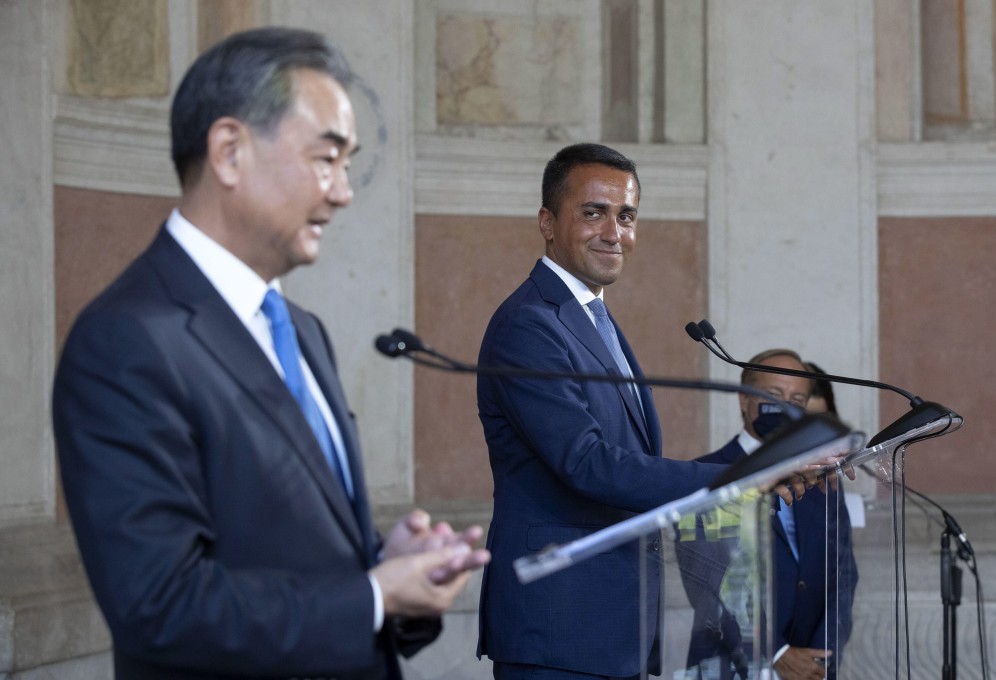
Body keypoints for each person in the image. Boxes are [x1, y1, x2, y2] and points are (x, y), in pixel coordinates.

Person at [51, 27, 488, 680]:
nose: (343, 191)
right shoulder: (126, 339)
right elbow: (159, 606)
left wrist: (387, 564)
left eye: (347, 164)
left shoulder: (304, 330)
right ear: (229, 151)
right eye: (326, 159)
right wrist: (372, 594)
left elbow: (297, 549)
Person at [474, 143, 812, 680]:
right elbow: (586, 463)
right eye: (593, 213)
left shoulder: (592, 319)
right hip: (561, 623)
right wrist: (742, 477)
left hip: (615, 622)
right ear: (547, 221)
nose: (614, 232)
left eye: (626, 216)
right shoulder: (530, 324)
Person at [681, 350, 858, 680]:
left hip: (813, 668)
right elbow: (708, 583)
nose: (785, 406)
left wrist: (822, 655)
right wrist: (776, 653)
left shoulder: (822, 477)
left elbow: (843, 572)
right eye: (773, 396)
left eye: (797, 399)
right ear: (744, 400)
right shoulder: (706, 474)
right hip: (731, 666)